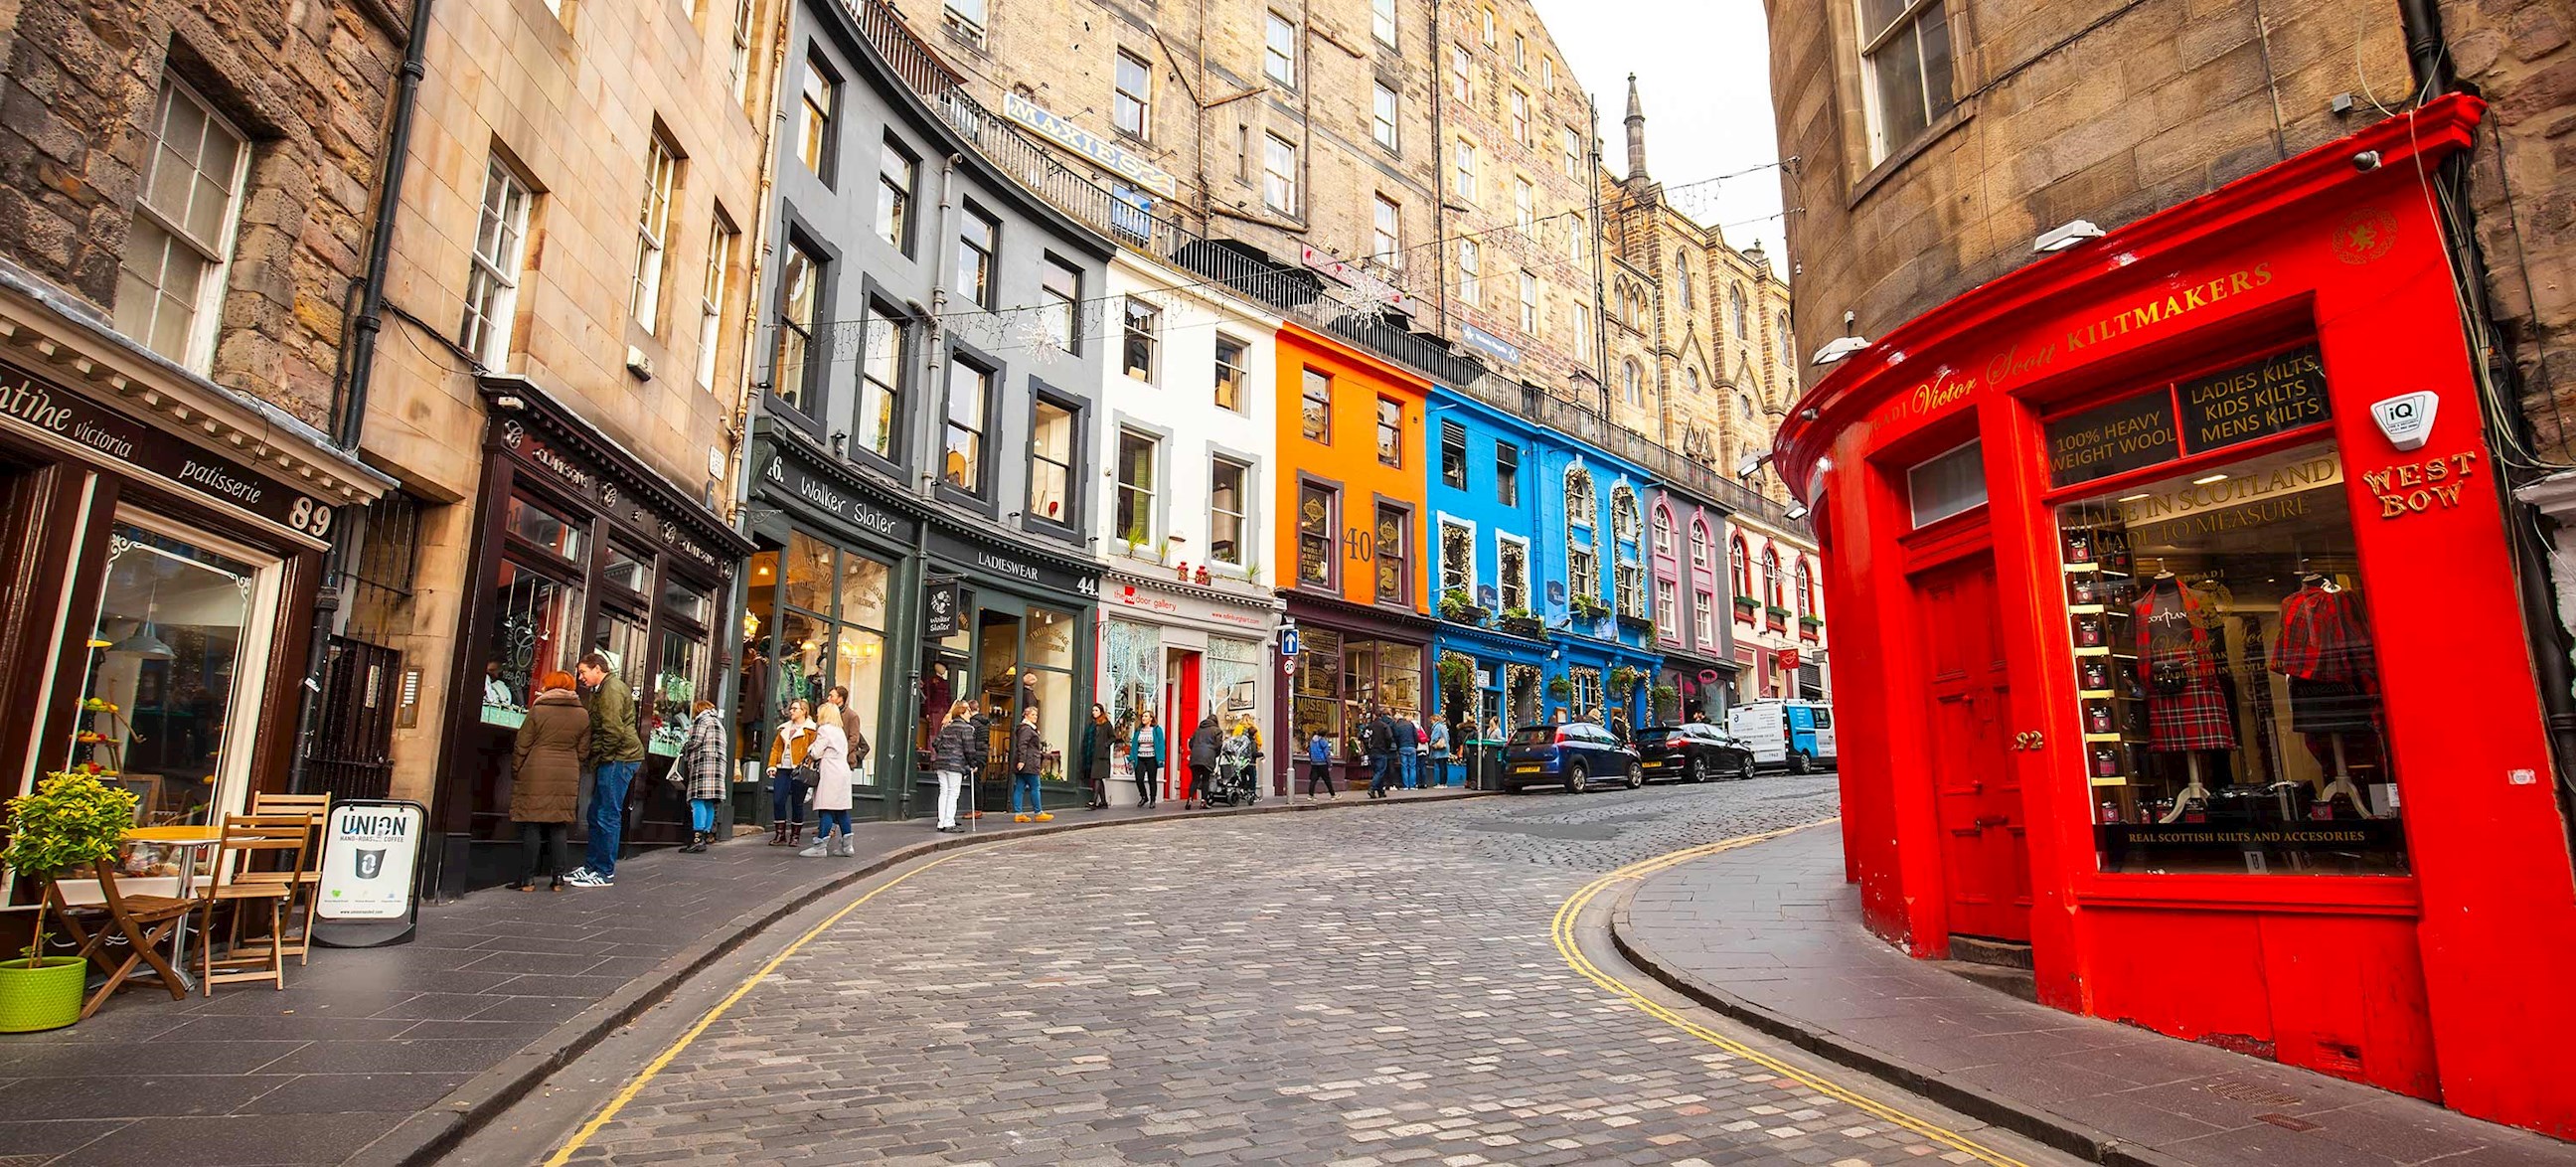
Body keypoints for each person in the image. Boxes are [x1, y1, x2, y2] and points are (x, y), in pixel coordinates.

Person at [566, 652, 643, 889]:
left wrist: (604, 758)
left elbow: (612, 730)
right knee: (596, 813)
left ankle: (603, 872)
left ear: (598, 668)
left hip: (619, 759)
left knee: (607, 815)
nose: (581, 677)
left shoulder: (610, 690)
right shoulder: (603, 689)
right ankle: (592, 867)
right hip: (615, 757)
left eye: (583, 672)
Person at [508, 672, 585, 892]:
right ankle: (558, 878)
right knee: (559, 825)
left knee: (532, 824)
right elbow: (583, 750)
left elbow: (522, 744)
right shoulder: (582, 715)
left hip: (536, 770)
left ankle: (527, 880)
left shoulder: (538, 710)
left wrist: (516, 770)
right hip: (567, 771)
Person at [674, 699, 727, 853]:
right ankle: (704, 836)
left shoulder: (702, 720)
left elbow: (695, 742)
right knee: (709, 802)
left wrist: (685, 745)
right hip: (717, 765)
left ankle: (697, 839)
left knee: (697, 800)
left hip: (704, 764)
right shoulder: (719, 724)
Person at [764, 699, 817, 847]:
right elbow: (776, 748)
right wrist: (772, 765)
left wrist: (807, 764)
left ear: (804, 711)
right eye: (791, 709)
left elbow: (813, 750)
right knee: (778, 800)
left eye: (795, 709)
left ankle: (795, 835)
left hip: (799, 770)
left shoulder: (811, 730)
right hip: (783, 768)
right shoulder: (784, 728)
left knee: (797, 803)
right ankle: (780, 834)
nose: (791, 711)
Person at [927, 699, 977, 833]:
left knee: (944, 792)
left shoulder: (947, 726)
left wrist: (944, 752)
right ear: (961, 713)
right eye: (968, 712)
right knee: (953, 793)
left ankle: (941, 822)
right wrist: (973, 764)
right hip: (955, 764)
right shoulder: (966, 728)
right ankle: (949, 822)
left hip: (941, 763)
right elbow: (969, 749)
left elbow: (936, 743)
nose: (970, 714)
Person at [1010, 704, 1051, 822]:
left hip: (1025, 762)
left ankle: (1019, 814)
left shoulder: (1024, 728)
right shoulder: (1027, 729)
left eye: (1036, 715)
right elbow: (1022, 745)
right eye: (1032, 714)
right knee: (1035, 787)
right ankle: (1038, 813)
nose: (1035, 717)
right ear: (1026, 715)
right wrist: (1022, 761)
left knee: (1019, 787)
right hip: (1030, 762)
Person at [1079, 703, 1113, 810]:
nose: (1094, 712)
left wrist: (1105, 745)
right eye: (1093, 710)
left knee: (1097, 777)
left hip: (1102, 755)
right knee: (1097, 777)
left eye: (1096, 710)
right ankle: (1103, 802)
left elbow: (1113, 737)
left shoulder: (1106, 724)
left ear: (1101, 712)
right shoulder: (1091, 724)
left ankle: (1093, 801)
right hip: (1093, 754)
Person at [1129, 708, 1164, 808]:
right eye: (1143, 716)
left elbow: (1161, 744)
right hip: (1140, 757)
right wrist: (1132, 757)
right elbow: (1134, 744)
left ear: (1151, 719)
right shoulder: (1139, 730)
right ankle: (1144, 796)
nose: (1143, 718)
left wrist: (1161, 758)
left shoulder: (1157, 730)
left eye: (1146, 716)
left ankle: (1153, 799)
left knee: (1151, 779)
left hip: (1152, 758)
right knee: (1139, 778)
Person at [1187, 712, 1221, 809]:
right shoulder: (1217, 730)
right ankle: (1203, 801)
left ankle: (1189, 799)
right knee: (1206, 780)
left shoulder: (1198, 730)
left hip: (1196, 756)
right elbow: (1218, 745)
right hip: (1208, 756)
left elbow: (1191, 743)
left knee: (1195, 779)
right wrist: (1215, 754)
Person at [1365, 708, 1397, 799]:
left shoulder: (1370, 726)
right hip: (1381, 751)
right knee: (1380, 771)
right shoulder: (1384, 726)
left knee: (1377, 772)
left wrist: (1368, 749)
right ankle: (1372, 788)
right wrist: (1387, 747)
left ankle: (1381, 791)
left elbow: (1364, 737)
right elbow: (1389, 738)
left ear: (1374, 716)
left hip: (1372, 752)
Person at [1394, 709, 1422, 790]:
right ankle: (1413, 785)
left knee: (1404, 767)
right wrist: (1415, 746)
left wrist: (1398, 747)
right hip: (1412, 747)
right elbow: (1416, 736)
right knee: (1412, 766)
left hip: (1402, 747)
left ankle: (1406, 786)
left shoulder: (1397, 726)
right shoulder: (1410, 724)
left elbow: (1396, 737)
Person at [1305, 728, 1336, 797]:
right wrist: (1329, 764)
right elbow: (1326, 754)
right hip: (1322, 762)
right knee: (1327, 780)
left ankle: (1311, 795)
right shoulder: (1323, 741)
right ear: (1325, 734)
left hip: (1314, 763)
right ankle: (1333, 795)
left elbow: (1310, 751)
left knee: (1313, 780)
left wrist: (1311, 759)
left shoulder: (1312, 741)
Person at [1428, 717, 1453, 787]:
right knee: (1444, 766)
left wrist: (1431, 743)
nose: (1431, 722)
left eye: (1431, 720)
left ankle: (1441, 783)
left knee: (1441, 767)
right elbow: (1447, 738)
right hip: (1445, 748)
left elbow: (1435, 737)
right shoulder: (1443, 726)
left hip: (1440, 749)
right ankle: (1444, 783)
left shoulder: (1437, 727)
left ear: (1435, 720)